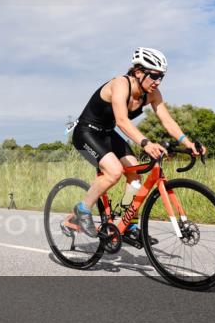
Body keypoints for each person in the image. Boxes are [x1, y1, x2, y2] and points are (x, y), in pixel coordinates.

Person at [69, 47, 203, 243]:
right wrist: (146, 143)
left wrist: (188, 142)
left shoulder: (153, 94)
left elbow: (167, 120)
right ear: (139, 71)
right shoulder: (121, 84)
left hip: (107, 134)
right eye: (154, 76)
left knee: (134, 175)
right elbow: (122, 121)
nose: (157, 82)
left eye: (161, 77)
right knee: (114, 172)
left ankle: (128, 223)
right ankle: (82, 209)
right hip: (86, 132)